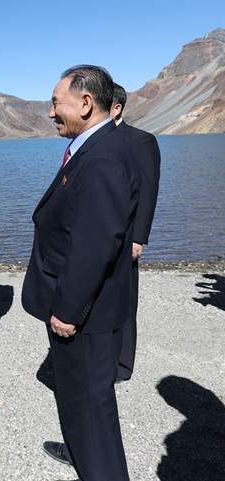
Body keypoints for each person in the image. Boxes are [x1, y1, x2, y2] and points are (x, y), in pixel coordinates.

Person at [21, 66, 139, 480]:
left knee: (90, 407)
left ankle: (99, 468)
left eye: (56, 102)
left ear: (85, 103)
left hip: (83, 314)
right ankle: (80, 452)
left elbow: (96, 244)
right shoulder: (99, 145)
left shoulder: (104, 156)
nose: (51, 112)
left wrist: (68, 310)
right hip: (84, 306)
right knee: (78, 401)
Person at [110, 83, 161, 383]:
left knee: (125, 298)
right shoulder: (89, 139)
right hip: (96, 235)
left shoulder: (141, 141)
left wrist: (139, 237)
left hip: (126, 235)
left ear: (116, 108)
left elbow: (148, 191)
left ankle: (122, 364)